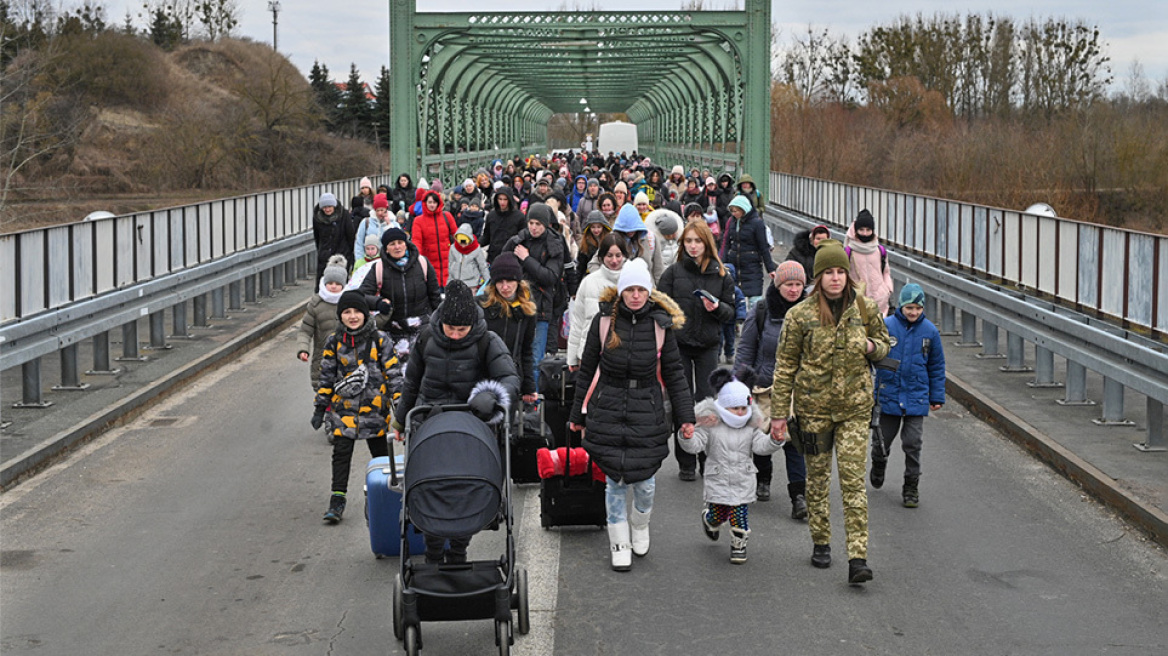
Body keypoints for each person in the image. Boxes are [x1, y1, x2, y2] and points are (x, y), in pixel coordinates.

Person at [770, 239, 890, 585]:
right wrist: (779, 414)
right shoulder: (800, 315)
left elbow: (884, 346)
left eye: (840, 272)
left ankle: (858, 556)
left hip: (854, 409)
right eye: (828, 273)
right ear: (818, 277)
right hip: (814, 411)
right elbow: (785, 366)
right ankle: (821, 541)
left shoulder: (864, 309)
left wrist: (871, 346)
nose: (835, 278)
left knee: (853, 483)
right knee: (818, 481)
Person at [568, 259, 695, 571]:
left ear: (649, 292)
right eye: (630, 289)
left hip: (646, 409)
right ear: (621, 291)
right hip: (608, 406)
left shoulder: (660, 325)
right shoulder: (603, 322)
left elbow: (675, 374)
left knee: (646, 481)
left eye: (641, 290)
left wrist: (686, 417)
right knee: (613, 480)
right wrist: (577, 415)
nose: (635, 295)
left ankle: (640, 524)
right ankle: (618, 540)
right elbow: (586, 371)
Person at [392, 280, 520, 563]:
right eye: (450, 329)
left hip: (473, 424)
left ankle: (459, 548)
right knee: (431, 486)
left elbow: (510, 379)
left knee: (466, 490)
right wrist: (400, 422)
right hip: (429, 422)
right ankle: (434, 550)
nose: (455, 334)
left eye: (461, 330)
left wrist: (491, 395)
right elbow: (411, 382)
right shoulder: (427, 338)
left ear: (472, 324)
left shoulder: (488, 341)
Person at [311, 290, 402, 524]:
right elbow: (327, 376)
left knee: (381, 457)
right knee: (341, 453)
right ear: (340, 316)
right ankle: (337, 499)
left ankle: (387, 497)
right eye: (347, 312)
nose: (352, 317)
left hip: (374, 410)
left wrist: (400, 408)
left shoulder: (379, 339)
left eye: (357, 312)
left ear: (365, 314)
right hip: (344, 412)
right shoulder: (334, 341)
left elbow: (393, 375)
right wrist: (321, 406)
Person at [656, 221, 737, 481]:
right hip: (678, 345)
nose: (693, 246)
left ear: (706, 244)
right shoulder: (672, 273)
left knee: (706, 404)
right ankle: (686, 460)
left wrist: (717, 309)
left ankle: (706, 457)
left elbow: (732, 313)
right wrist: (669, 324)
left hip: (708, 345)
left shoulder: (721, 274)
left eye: (697, 241)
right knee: (683, 402)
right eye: (688, 241)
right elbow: (659, 307)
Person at [681, 366, 785, 564]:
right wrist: (687, 436)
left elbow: (760, 447)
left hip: (742, 478)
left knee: (739, 514)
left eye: (743, 408)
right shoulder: (710, 423)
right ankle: (709, 519)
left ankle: (739, 544)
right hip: (718, 478)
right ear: (723, 406)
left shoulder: (750, 425)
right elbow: (695, 446)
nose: (740, 412)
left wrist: (774, 440)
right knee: (718, 515)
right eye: (734, 408)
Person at [735, 260, 809, 518]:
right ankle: (763, 477)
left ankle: (799, 496)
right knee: (763, 438)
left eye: (799, 284)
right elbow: (745, 349)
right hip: (763, 386)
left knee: (795, 442)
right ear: (778, 285)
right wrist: (739, 386)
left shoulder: (811, 312)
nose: (794, 289)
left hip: (798, 389)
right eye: (789, 284)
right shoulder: (762, 310)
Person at [871, 283, 946, 508]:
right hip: (889, 395)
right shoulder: (886, 326)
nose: (913, 312)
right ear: (901, 306)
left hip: (916, 397)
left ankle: (911, 485)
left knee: (913, 443)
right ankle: (879, 462)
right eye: (909, 308)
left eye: (918, 308)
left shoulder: (930, 332)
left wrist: (937, 396)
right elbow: (873, 355)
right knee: (881, 441)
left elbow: (936, 365)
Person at [503, 203, 565, 389]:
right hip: (516, 305)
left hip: (541, 309)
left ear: (545, 225)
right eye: (531, 222)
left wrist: (526, 259)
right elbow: (503, 261)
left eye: (538, 223)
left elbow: (550, 277)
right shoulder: (520, 240)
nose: (534, 227)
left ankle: (534, 403)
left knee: (535, 361)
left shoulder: (554, 244)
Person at [358, 228, 442, 358]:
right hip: (393, 330)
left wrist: (440, 321)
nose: (397, 247)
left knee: (423, 371)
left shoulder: (422, 263)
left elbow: (435, 295)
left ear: (406, 244)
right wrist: (378, 303)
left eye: (400, 242)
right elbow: (361, 296)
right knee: (395, 373)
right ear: (386, 248)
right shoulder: (379, 268)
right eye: (392, 244)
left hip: (423, 328)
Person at [480, 253, 539, 408]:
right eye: (500, 282)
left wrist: (529, 386)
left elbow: (526, 350)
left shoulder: (527, 310)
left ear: (518, 282)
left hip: (511, 378)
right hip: (484, 377)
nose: (505, 287)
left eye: (510, 281)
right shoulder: (481, 306)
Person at [567, 233, 627, 370]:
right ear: (601, 257)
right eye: (609, 256)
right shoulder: (589, 282)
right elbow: (578, 321)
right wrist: (572, 357)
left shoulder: (634, 283)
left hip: (623, 355)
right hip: (589, 352)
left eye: (618, 255)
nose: (614, 260)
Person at [297, 255, 346, 395]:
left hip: (346, 360)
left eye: (337, 284)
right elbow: (305, 331)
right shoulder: (316, 303)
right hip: (322, 361)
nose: (333, 286)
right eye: (330, 283)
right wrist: (303, 349)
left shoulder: (349, 303)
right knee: (323, 396)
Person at [720, 195, 776, 307]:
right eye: (732, 211)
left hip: (752, 267)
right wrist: (721, 262)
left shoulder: (757, 223)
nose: (734, 213)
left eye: (736, 211)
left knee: (754, 302)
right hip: (734, 266)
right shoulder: (732, 222)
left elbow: (763, 247)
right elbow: (726, 244)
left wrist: (770, 268)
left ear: (743, 209)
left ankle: (754, 323)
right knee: (734, 300)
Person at [845, 209, 894, 315]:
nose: (865, 233)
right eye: (861, 229)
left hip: (880, 304)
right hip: (856, 303)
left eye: (868, 230)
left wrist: (887, 289)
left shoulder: (880, 250)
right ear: (855, 230)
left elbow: (886, 272)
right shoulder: (849, 251)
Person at [411, 190, 458, 292]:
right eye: (430, 202)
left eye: (434, 202)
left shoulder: (447, 216)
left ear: (438, 203)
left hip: (448, 262)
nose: (432, 205)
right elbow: (416, 240)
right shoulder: (418, 221)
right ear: (425, 203)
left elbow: (456, 235)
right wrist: (416, 256)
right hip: (429, 262)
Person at [611, 203, 664, 281]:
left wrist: (658, 290)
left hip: (646, 287)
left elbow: (658, 268)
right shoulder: (612, 239)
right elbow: (594, 264)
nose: (630, 232)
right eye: (626, 229)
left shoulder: (651, 238)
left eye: (633, 228)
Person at [312, 192, 354, 282]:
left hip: (342, 254)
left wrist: (349, 253)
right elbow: (317, 237)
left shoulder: (344, 215)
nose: (327, 209)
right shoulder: (317, 218)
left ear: (334, 206)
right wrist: (321, 251)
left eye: (329, 206)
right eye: (324, 207)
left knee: (340, 282)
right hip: (325, 255)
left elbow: (350, 234)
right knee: (323, 282)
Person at [481, 187, 524, 263]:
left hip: (512, 257)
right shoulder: (491, 215)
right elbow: (486, 236)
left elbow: (522, 238)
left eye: (505, 199)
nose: (502, 202)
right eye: (500, 199)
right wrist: (475, 243)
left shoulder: (519, 217)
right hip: (493, 256)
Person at [447, 223, 488, 292]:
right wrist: (449, 283)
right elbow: (450, 265)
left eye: (465, 243)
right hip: (455, 283)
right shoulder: (453, 248)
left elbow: (483, 267)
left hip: (471, 284)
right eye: (460, 242)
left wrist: (488, 283)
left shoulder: (476, 249)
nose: (462, 245)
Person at [577, 210, 612, 276]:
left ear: (603, 227)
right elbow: (581, 267)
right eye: (593, 227)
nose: (596, 230)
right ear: (589, 228)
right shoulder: (585, 243)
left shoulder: (610, 240)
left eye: (599, 227)